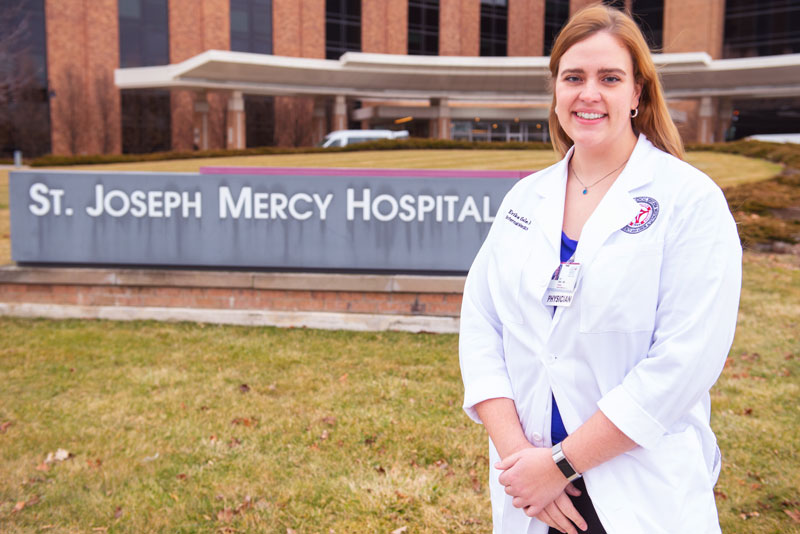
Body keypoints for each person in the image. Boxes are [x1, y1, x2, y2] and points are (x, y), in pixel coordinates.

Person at [459, 5, 742, 534]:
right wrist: (523, 462)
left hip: (637, 490)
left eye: (609, 78)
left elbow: (683, 363)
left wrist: (560, 464)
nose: (588, 93)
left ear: (637, 93)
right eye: (573, 77)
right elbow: (481, 326)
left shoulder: (689, 201)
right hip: (534, 496)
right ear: (557, 90)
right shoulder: (527, 197)